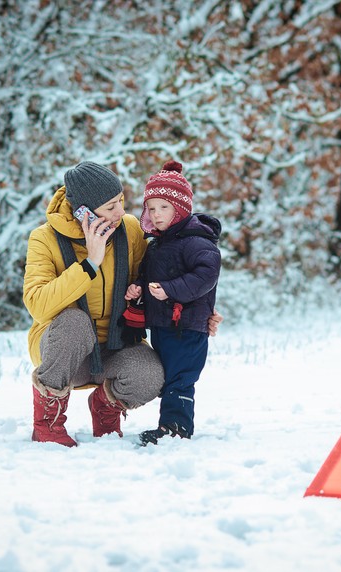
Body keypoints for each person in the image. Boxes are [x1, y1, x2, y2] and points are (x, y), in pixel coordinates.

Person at [23, 161, 220, 447]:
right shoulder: (44, 239)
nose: (120, 212)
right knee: (74, 323)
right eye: (110, 207)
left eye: (121, 201)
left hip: (116, 345)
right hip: (65, 351)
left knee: (151, 375)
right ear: (83, 211)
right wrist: (90, 263)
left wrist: (196, 310)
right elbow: (38, 305)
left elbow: (156, 281)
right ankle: (47, 424)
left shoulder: (129, 229)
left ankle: (105, 407)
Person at [125, 160, 222, 445]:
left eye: (163, 207)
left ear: (180, 208)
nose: (156, 215)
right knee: (168, 377)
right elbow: (150, 276)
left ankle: (176, 427)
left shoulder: (197, 241)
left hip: (187, 326)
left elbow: (206, 274)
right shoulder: (159, 244)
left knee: (181, 378)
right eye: (151, 208)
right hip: (164, 326)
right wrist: (138, 287)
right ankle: (169, 424)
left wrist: (170, 290)